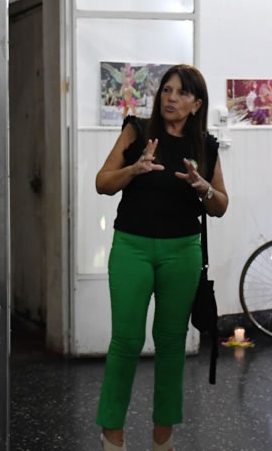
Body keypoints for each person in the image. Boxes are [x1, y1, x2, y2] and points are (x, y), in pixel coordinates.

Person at [95, 64, 229, 451]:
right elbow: (102, 182)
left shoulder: (206, 146)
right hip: (132, 248)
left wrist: (203, 187)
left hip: (182, 252)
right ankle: (112, 434)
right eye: (166, 90)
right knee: (126, 340)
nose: (170, 98)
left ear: (196, 104)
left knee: (171, 344)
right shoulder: (137, 131)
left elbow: (220, 205)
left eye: (181, 92)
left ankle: (163, 438)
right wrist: (134, 170)